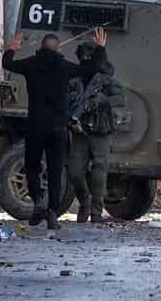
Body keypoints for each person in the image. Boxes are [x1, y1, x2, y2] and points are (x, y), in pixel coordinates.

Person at [2, 29, 107, 229]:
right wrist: (100, 48)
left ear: (41, 47)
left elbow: (7, 64)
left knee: (32, 166)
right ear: (58, 49)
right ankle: (52, 213)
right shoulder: (65, 67)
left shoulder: (30, 64)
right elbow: (91, 69)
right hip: (58, 128)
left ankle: (38, 201)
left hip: (35, 126)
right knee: (55, 170)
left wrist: (12, 48)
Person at [66, 41, 125, 223]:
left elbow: (121, 99)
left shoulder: (106, 79)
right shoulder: (74, 79)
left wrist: (102, 100)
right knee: (74, 172)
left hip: (101, 130)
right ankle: (84, 201)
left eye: (88, 56)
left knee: (99, 171)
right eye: (82, 56)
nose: (85, 59)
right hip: (80, 131)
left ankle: (96, 213)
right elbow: (65, 103)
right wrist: (71, 122)